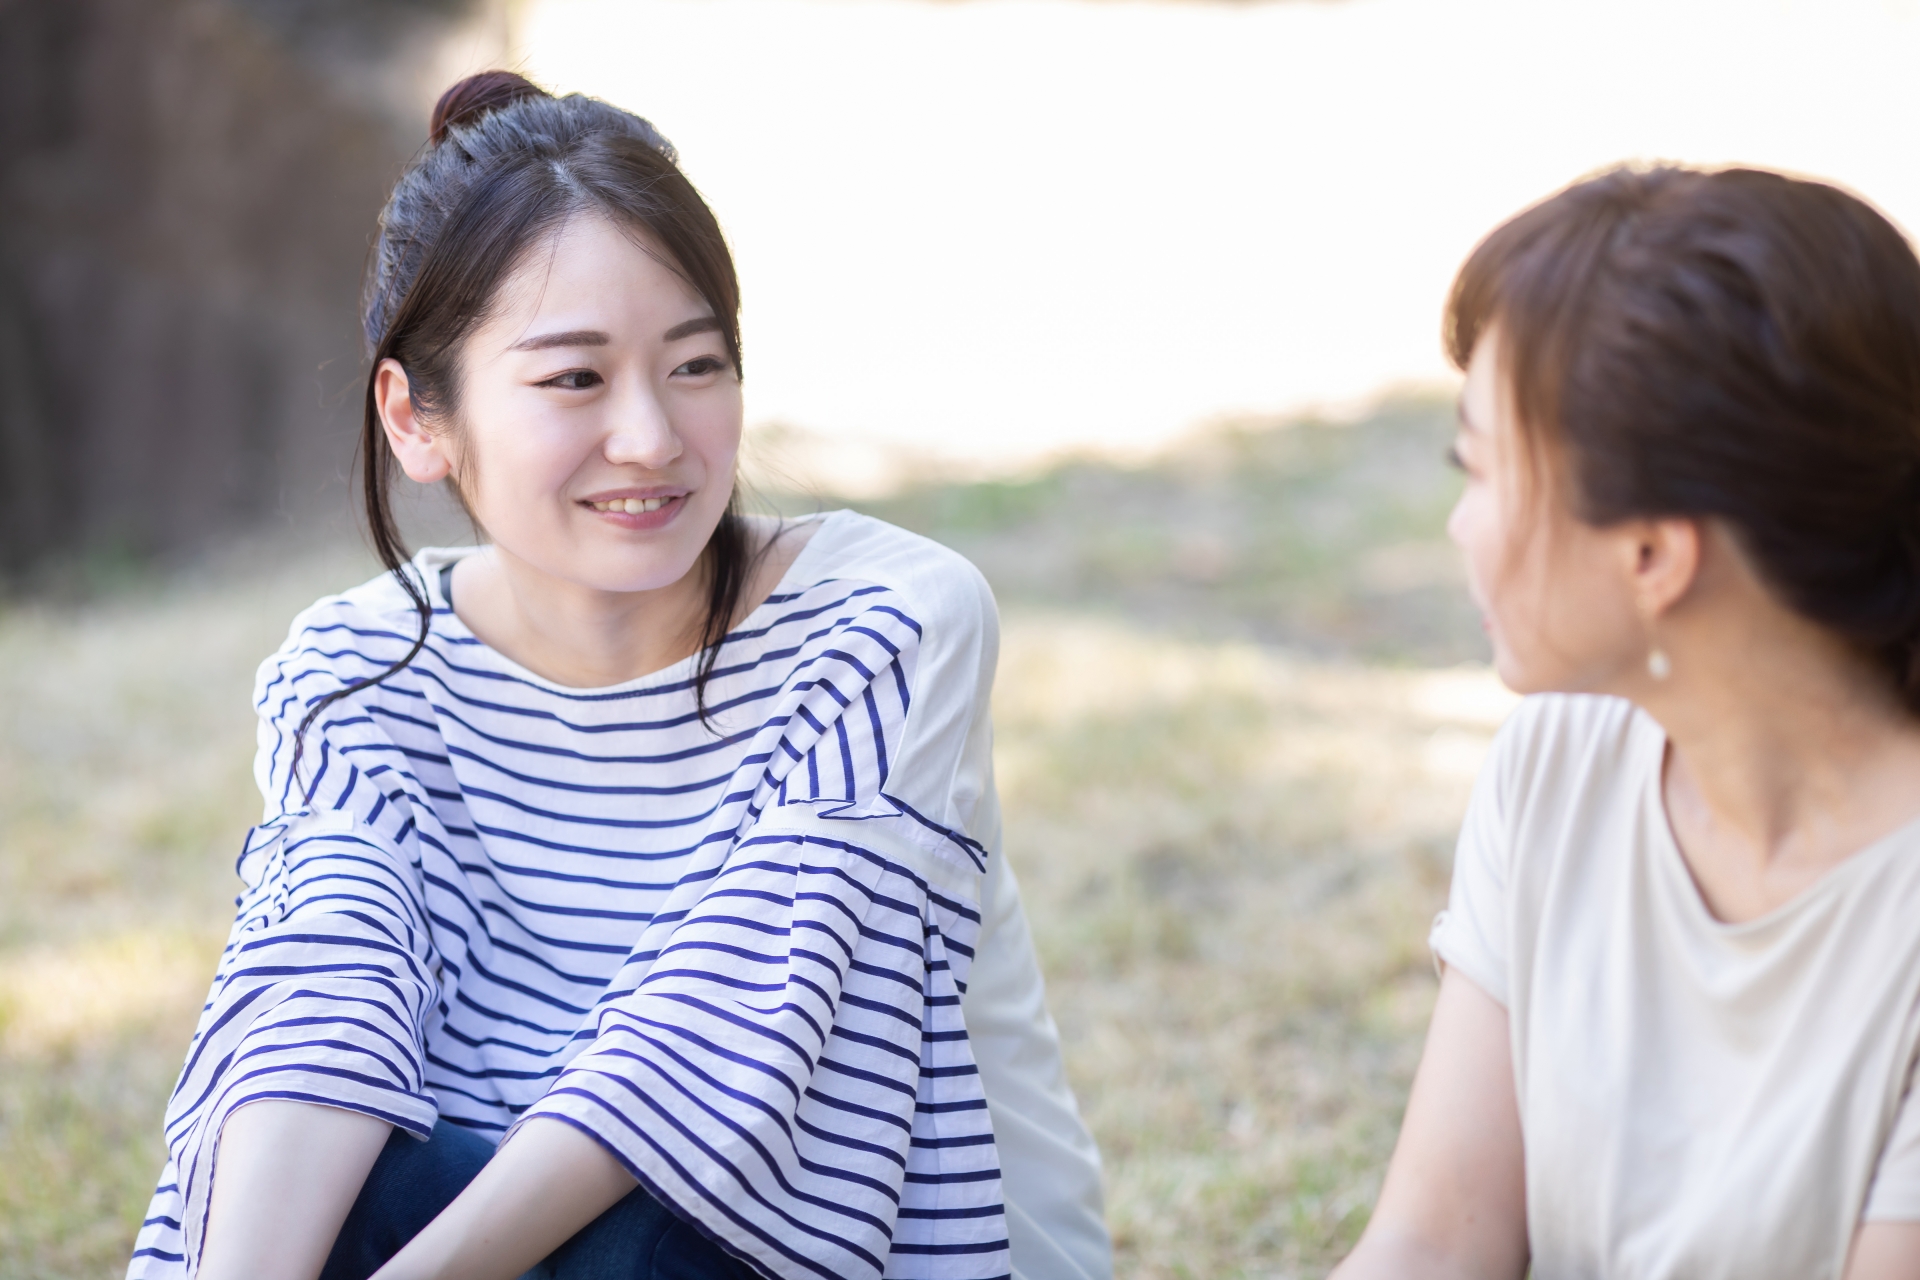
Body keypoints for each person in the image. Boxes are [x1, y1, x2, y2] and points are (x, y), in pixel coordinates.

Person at [126, 72, 1110, 1280]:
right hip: (493, 1217)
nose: (652, 435)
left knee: (653, 1231)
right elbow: (318, 999)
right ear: (417, 418)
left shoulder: (888, 619)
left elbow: (722, 1041)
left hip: (792, 1222)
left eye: (696, 364)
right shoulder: (352, 672)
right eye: (575, 377)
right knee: (303, 1166)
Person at [1332, 165, 1920, 1280]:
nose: (1461, 526)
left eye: (1484, 471)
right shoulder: (1560, 760)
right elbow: (1435, 1236)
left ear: (1653, 555)